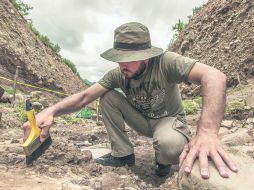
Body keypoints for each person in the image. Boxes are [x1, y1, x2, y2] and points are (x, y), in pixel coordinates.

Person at [22, 22, 238, 178]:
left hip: (168, 120)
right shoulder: (119, 74)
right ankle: (123, 155)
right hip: (141, 119)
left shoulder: (166, 62)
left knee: (169, 147)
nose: (121, 66)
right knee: (106, 95)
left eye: (127, 60)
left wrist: (208, 133)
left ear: (146, 55)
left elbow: (215, 76)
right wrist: (50, 111)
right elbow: (85, 97)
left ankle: (162, 162)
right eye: (119, 59)